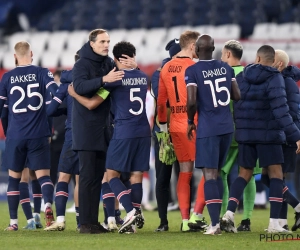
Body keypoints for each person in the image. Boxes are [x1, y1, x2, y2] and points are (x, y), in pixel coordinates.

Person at [69, 41, 150, 234]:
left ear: (115, 59)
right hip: (143, 131)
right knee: (136, 175)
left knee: (111, 174)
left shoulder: (115, 80)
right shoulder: (142, 76)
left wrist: (74, 94)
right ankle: (134, 220)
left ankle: (130, 212)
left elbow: (92, 104)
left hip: (124, 131)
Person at [221, 45, 300, 233]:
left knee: (244, 174)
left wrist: (241, 129)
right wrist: (295, 136)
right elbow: (281, 110)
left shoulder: (241, 77)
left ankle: (229, 215)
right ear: (273, 61)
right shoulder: (275, 78)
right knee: (275, 176)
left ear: (257, 58)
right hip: (269, 135)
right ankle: (274, 223)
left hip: (246, 135)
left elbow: (237, 106)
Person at [186, 34, 241, 235]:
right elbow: (237, 95)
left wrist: (190, 121)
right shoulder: (225, 67)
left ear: (197, 50)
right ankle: (217, 221)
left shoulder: (192, 71)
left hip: (208, 128)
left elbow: (191, 102)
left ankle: (215, 225)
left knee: (209, 175)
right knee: (216, 172)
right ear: (213, 48)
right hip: (227, 127)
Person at [0, 41, 58, 230]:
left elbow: (2, 111)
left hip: (15, 134)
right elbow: (54, 96)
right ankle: (48, 205)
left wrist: (8, 132)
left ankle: (13, 223)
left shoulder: (7, 77)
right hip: (39, 133)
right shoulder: (43, 73)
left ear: (15, 57)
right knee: (43, 177)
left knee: (14, 179)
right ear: (31, 54)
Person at [158, 30, 207, 233]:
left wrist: (163, 130)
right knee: (209, 170)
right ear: (192, 46)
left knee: (185, 173)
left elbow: (161, 104)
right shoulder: (196, 67)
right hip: (195, 124)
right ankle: (197, 214)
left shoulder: (165, 68)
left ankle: (185, 221)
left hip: (175, 127)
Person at [220, 40, 261, 231]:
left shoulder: (223, 74)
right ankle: (246, 219)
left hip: (227, 130)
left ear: (228, 54)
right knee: (248, 174)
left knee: (221, 172)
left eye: (222, 54)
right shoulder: (248, 74)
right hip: (249, 130)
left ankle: (225, 216)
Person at [263, 49, 300, 231]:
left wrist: (290, 135)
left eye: (271, 60)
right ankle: (284, 219)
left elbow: (291, 113)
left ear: (278, 64)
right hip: (277, 135)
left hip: (286, 137)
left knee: (277, 178)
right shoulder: (278, 81)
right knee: (270, 178)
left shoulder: (288, 84)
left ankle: (281, 220)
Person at [44, 52, 80, 231]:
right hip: (93, 136)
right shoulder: (99, 80)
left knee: (63, 177)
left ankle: (60, 220)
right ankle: (84, 222)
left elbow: (51, 110)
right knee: (84, 181)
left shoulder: (68, 82)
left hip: (72, 134)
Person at [151, 38, 181, 232]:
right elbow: (160, 96)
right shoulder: (158, 74)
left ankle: (189, 217)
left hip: (182, 128)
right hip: (164, 133)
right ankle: (163, 220)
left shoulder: (189, 69)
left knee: (185, 174)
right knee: (163, 177)